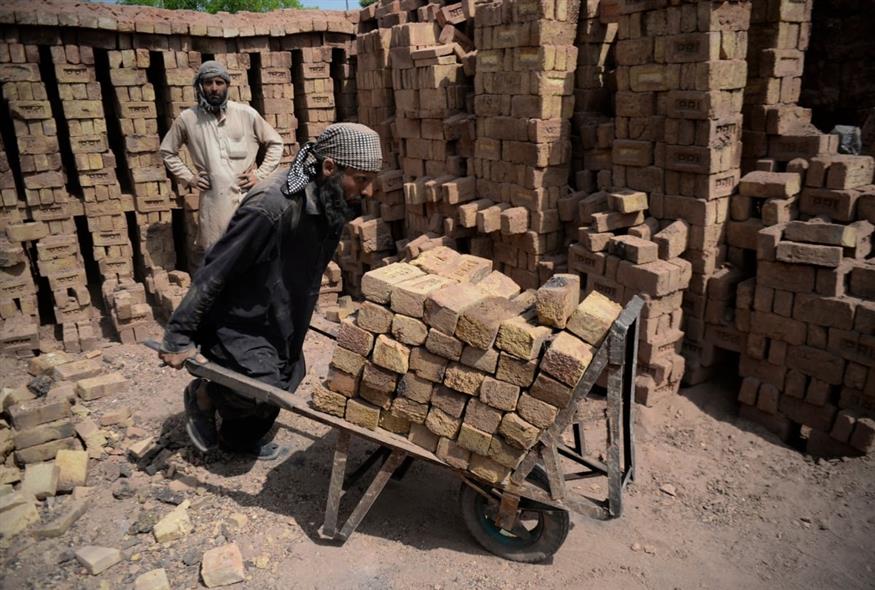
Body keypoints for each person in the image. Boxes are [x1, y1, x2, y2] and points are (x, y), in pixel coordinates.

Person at [158, 123, 382, 460]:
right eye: (363, 179)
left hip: (280, 308)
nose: (369, 191)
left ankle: (238, 440)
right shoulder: (272, 206)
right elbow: (215, 269)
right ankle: (203, 396)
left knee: (291, 374)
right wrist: (178, 336)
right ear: (330, 167)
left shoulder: (332, 199)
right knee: (257, 388)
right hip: (237, 317)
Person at [160, 60, 284, 262]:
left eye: (219, 82)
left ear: (227, 85)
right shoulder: (188, 119)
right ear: (200, 86)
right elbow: (167, 151)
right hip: (214, 204)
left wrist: (260, 175)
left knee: (255, 253)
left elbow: (276, 143)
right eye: (208, 83)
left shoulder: (246, 114)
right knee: (218, 257)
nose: (214, 88)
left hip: (248, 198)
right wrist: (189, 178)